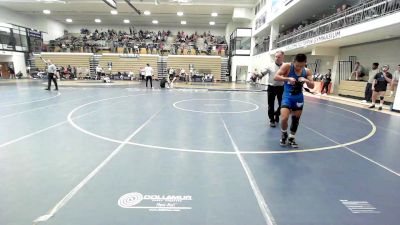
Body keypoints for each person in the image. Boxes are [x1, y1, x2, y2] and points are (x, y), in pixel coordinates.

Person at [274, 53, 314, 148]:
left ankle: (292, 137)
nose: (299, 67)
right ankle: (284, 134)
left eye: (302, 65)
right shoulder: (287, 66)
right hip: (287, 97)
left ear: (305, 63)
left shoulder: (307, 71)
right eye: (297, 65)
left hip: (299, 98)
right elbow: (276, 77)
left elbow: (312, 86)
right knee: (284, 118)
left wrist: (306, 80)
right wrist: (287, 78)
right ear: (293, 62)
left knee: (296, 120)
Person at [260, 51, 285, 127]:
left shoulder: (286, 66)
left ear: (282, 57)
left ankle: (276, 114)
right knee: (271, 105)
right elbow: (262, 73)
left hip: (281, 88)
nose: (277, 58)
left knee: (283, 105)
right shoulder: (270, 65)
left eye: (279, 57)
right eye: (276, 56)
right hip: (271, 87)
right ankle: (272, 120)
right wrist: (258, 75)